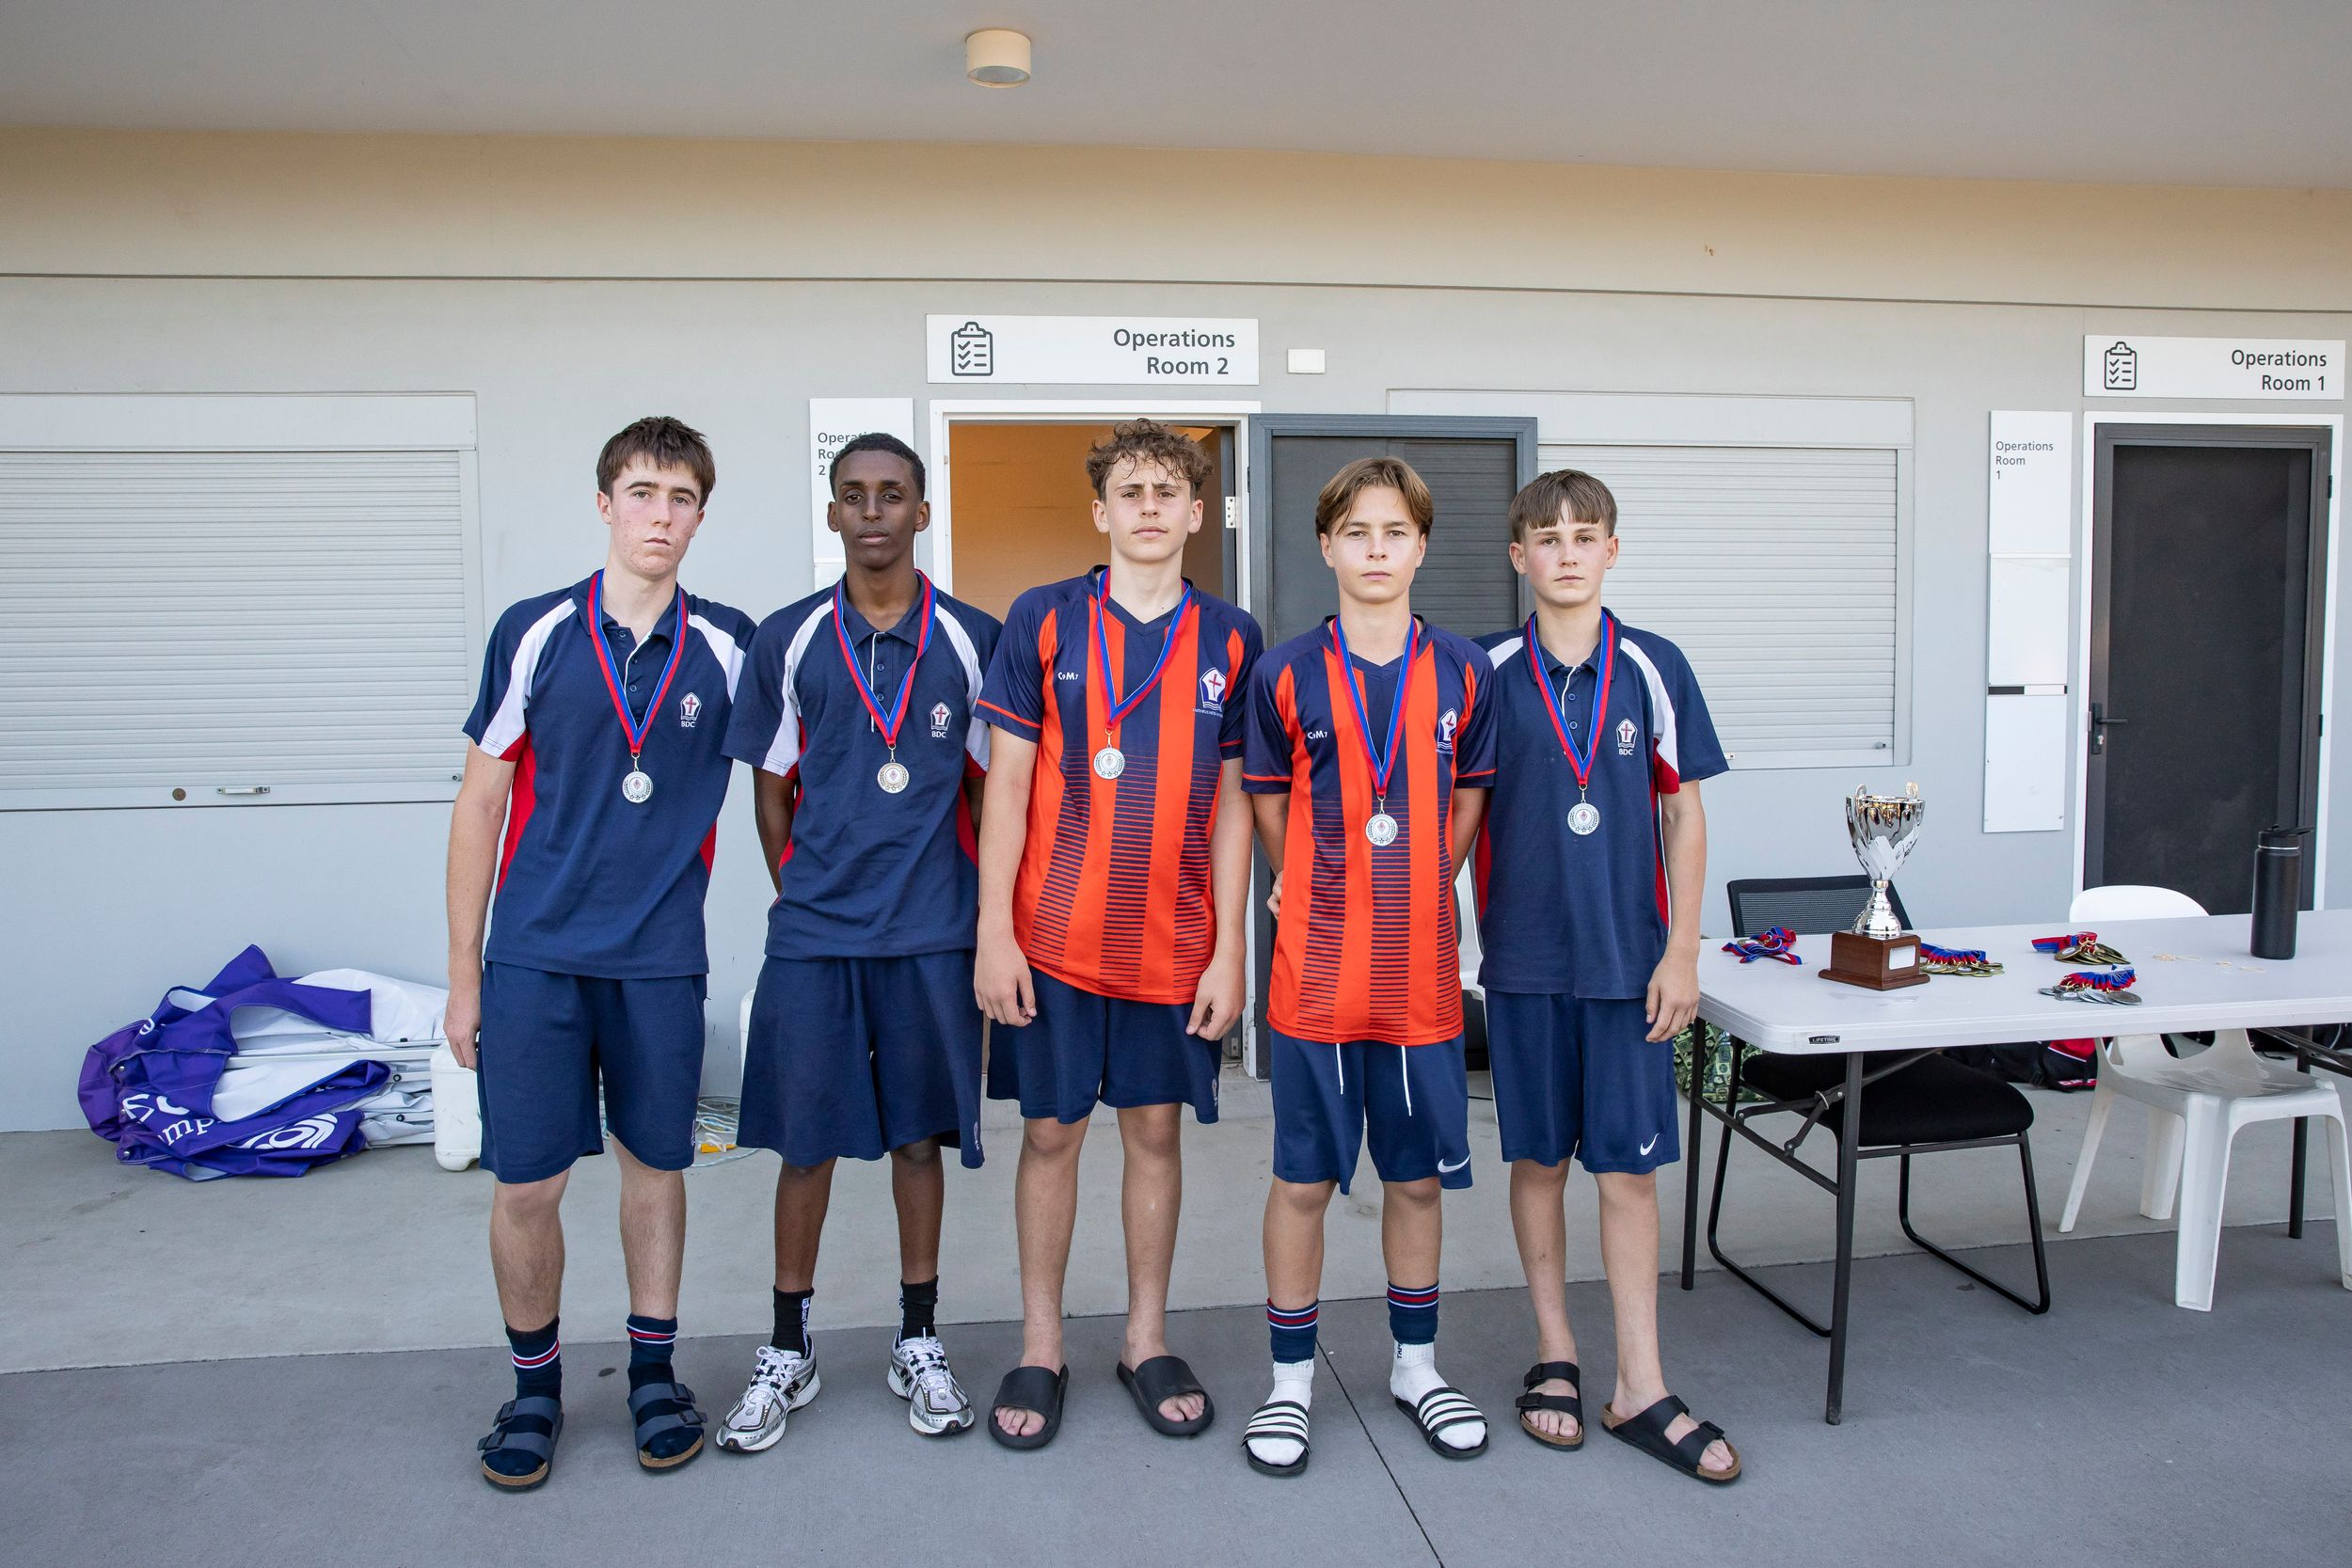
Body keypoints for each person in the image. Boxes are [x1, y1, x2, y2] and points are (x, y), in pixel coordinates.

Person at [446, 416, 755, 1489]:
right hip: (535, 957)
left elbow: (808, 767)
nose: (659, 516)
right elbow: (479, 804)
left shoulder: (731, 646)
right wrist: (465, 975)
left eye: (680, 498)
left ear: (701, 516)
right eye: (641, 493)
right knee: (527, 1185)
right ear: (604, 504)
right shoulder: (533, 631)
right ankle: (534, 1389)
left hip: (660, 959)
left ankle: (653, 1375)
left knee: (655, 1170)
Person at [972, 419, 1262, 1449]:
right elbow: (1007, 785)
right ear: (1101, 510)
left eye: (1166, 491)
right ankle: (1041, 1344)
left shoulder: (1233, 636)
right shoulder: (1043, 617)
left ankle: (1145, 1339)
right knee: (1050, 1134)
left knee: (1154, 1132)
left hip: (1171, 945)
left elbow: (1235, 805)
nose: (1148, 507)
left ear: (1195, 511)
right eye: (1130, 490)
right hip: (1052, 940)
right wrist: (993, 932)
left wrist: (1231, 949)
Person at [712, 433, 1000, 1448]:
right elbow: (769, 793)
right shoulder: (787, 638)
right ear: (832, 512)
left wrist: (971, 910)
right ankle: (788, 1346)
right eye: (853, 494)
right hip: (817, 936)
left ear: (923, 511)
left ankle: (917, 1337)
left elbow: (990, 791)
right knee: (806, 1142)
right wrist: (808, 894)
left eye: (891, 493)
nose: (872, 510)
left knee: (917, 1138)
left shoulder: (972, 638)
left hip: (930, 936)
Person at [1472, 468, 1740, 1483]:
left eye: (1585, 536)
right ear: (1519, 557)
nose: (1567, 553)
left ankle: (1640, 1381)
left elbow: (1684, 814)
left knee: (1628, 1172)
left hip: (1632, 967)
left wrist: (1683, 950)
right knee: (1538, 1161)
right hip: (1527, 964)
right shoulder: (1485, 671)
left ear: (1612, 550)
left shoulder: (1655, 667)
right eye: (1547, 538)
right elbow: (1447, 817)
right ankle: (1556, 1351)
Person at [1239, 456, 1497, 1478]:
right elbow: (1268, 799)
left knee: (1417, 1180)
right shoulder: (1285, 672)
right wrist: (1303, 878)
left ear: (1421, 545)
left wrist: (1428, 879)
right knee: (1302, 1179)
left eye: (1395, 531)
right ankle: (1289, 1380)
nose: (1376, 549)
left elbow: (1468, 797)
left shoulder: (1465, 671)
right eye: (1356, 532)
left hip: (1420, 976)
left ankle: (1416, 1366)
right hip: (1315, 972)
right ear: (1326, 546)